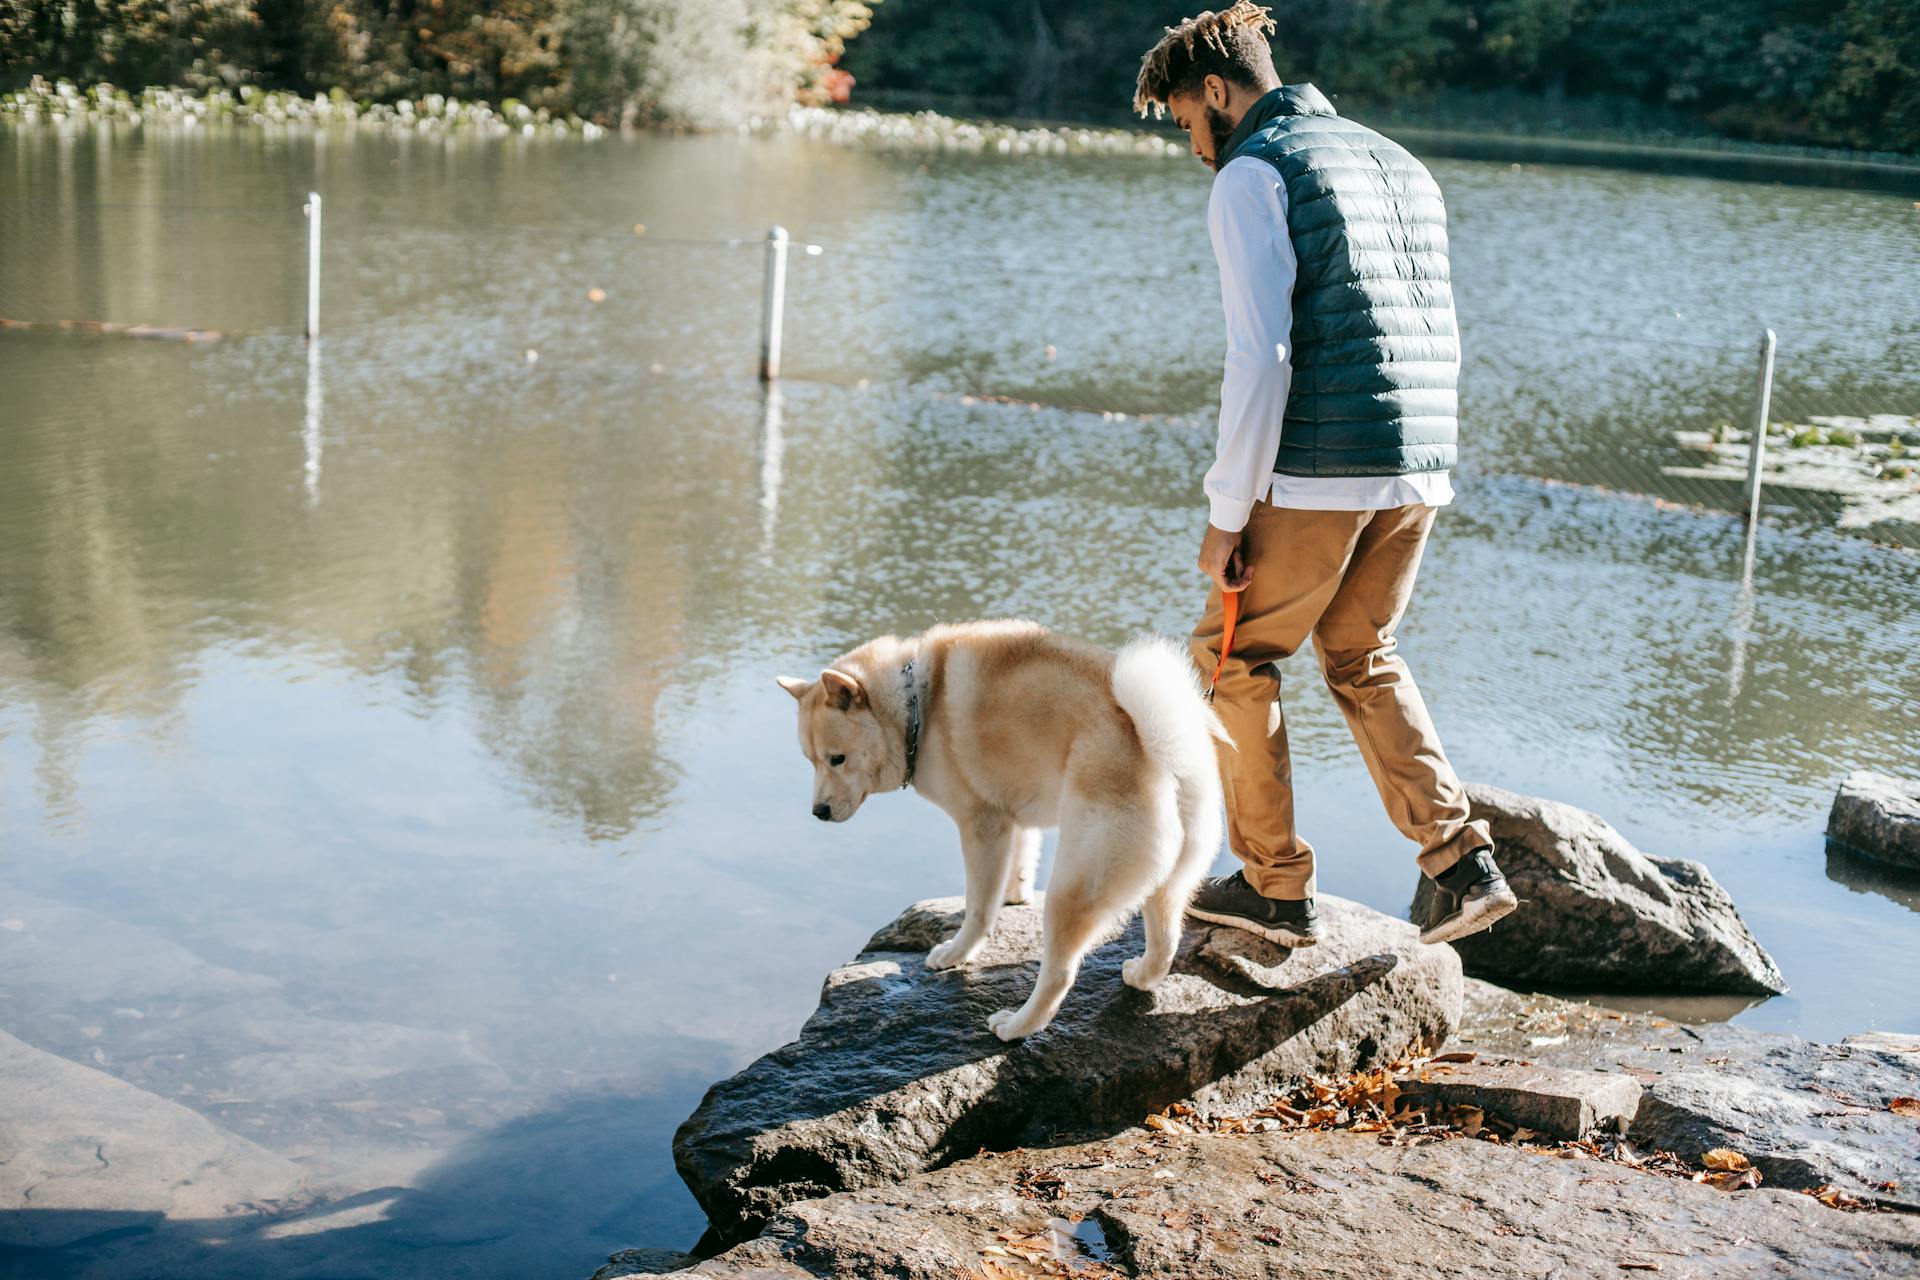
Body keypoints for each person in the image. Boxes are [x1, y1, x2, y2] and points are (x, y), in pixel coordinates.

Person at [1132, 3, 1518, 948]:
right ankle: (1464, 865)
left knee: (1230, 660)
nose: (1194, 148)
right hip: (1419, 458)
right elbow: (1437, 326)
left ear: (1218, 92)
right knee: (1359, 652)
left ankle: (1275, 888)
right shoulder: (1397, 160)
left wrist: (1228, 514)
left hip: (1319, 469)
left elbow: (1261, 357)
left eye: (1188, 121)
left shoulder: (1254, 171)